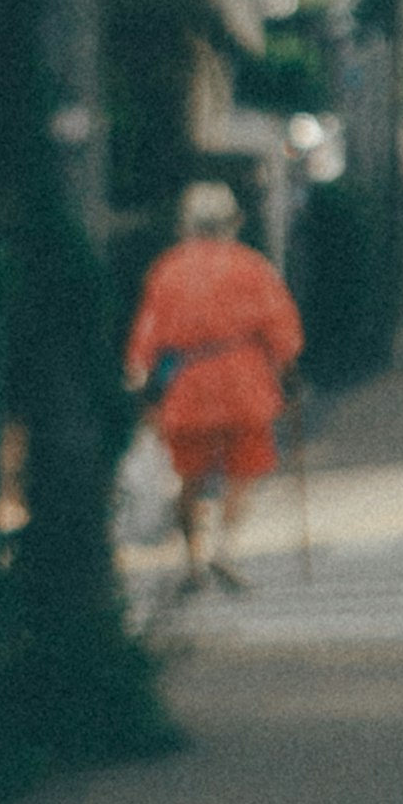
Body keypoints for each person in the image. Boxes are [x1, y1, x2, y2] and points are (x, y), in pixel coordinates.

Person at [120, 180, 303, 590]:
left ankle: (192, 562)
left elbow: (147, 336)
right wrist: (288, 372)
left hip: (188, 382)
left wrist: (140, 375)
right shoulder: (252, 267)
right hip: (243, 379)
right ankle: (225, 546)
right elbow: (282, 332)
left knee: (189, 473)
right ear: (232, 222)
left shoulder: (167, 268)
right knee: (245, 466)